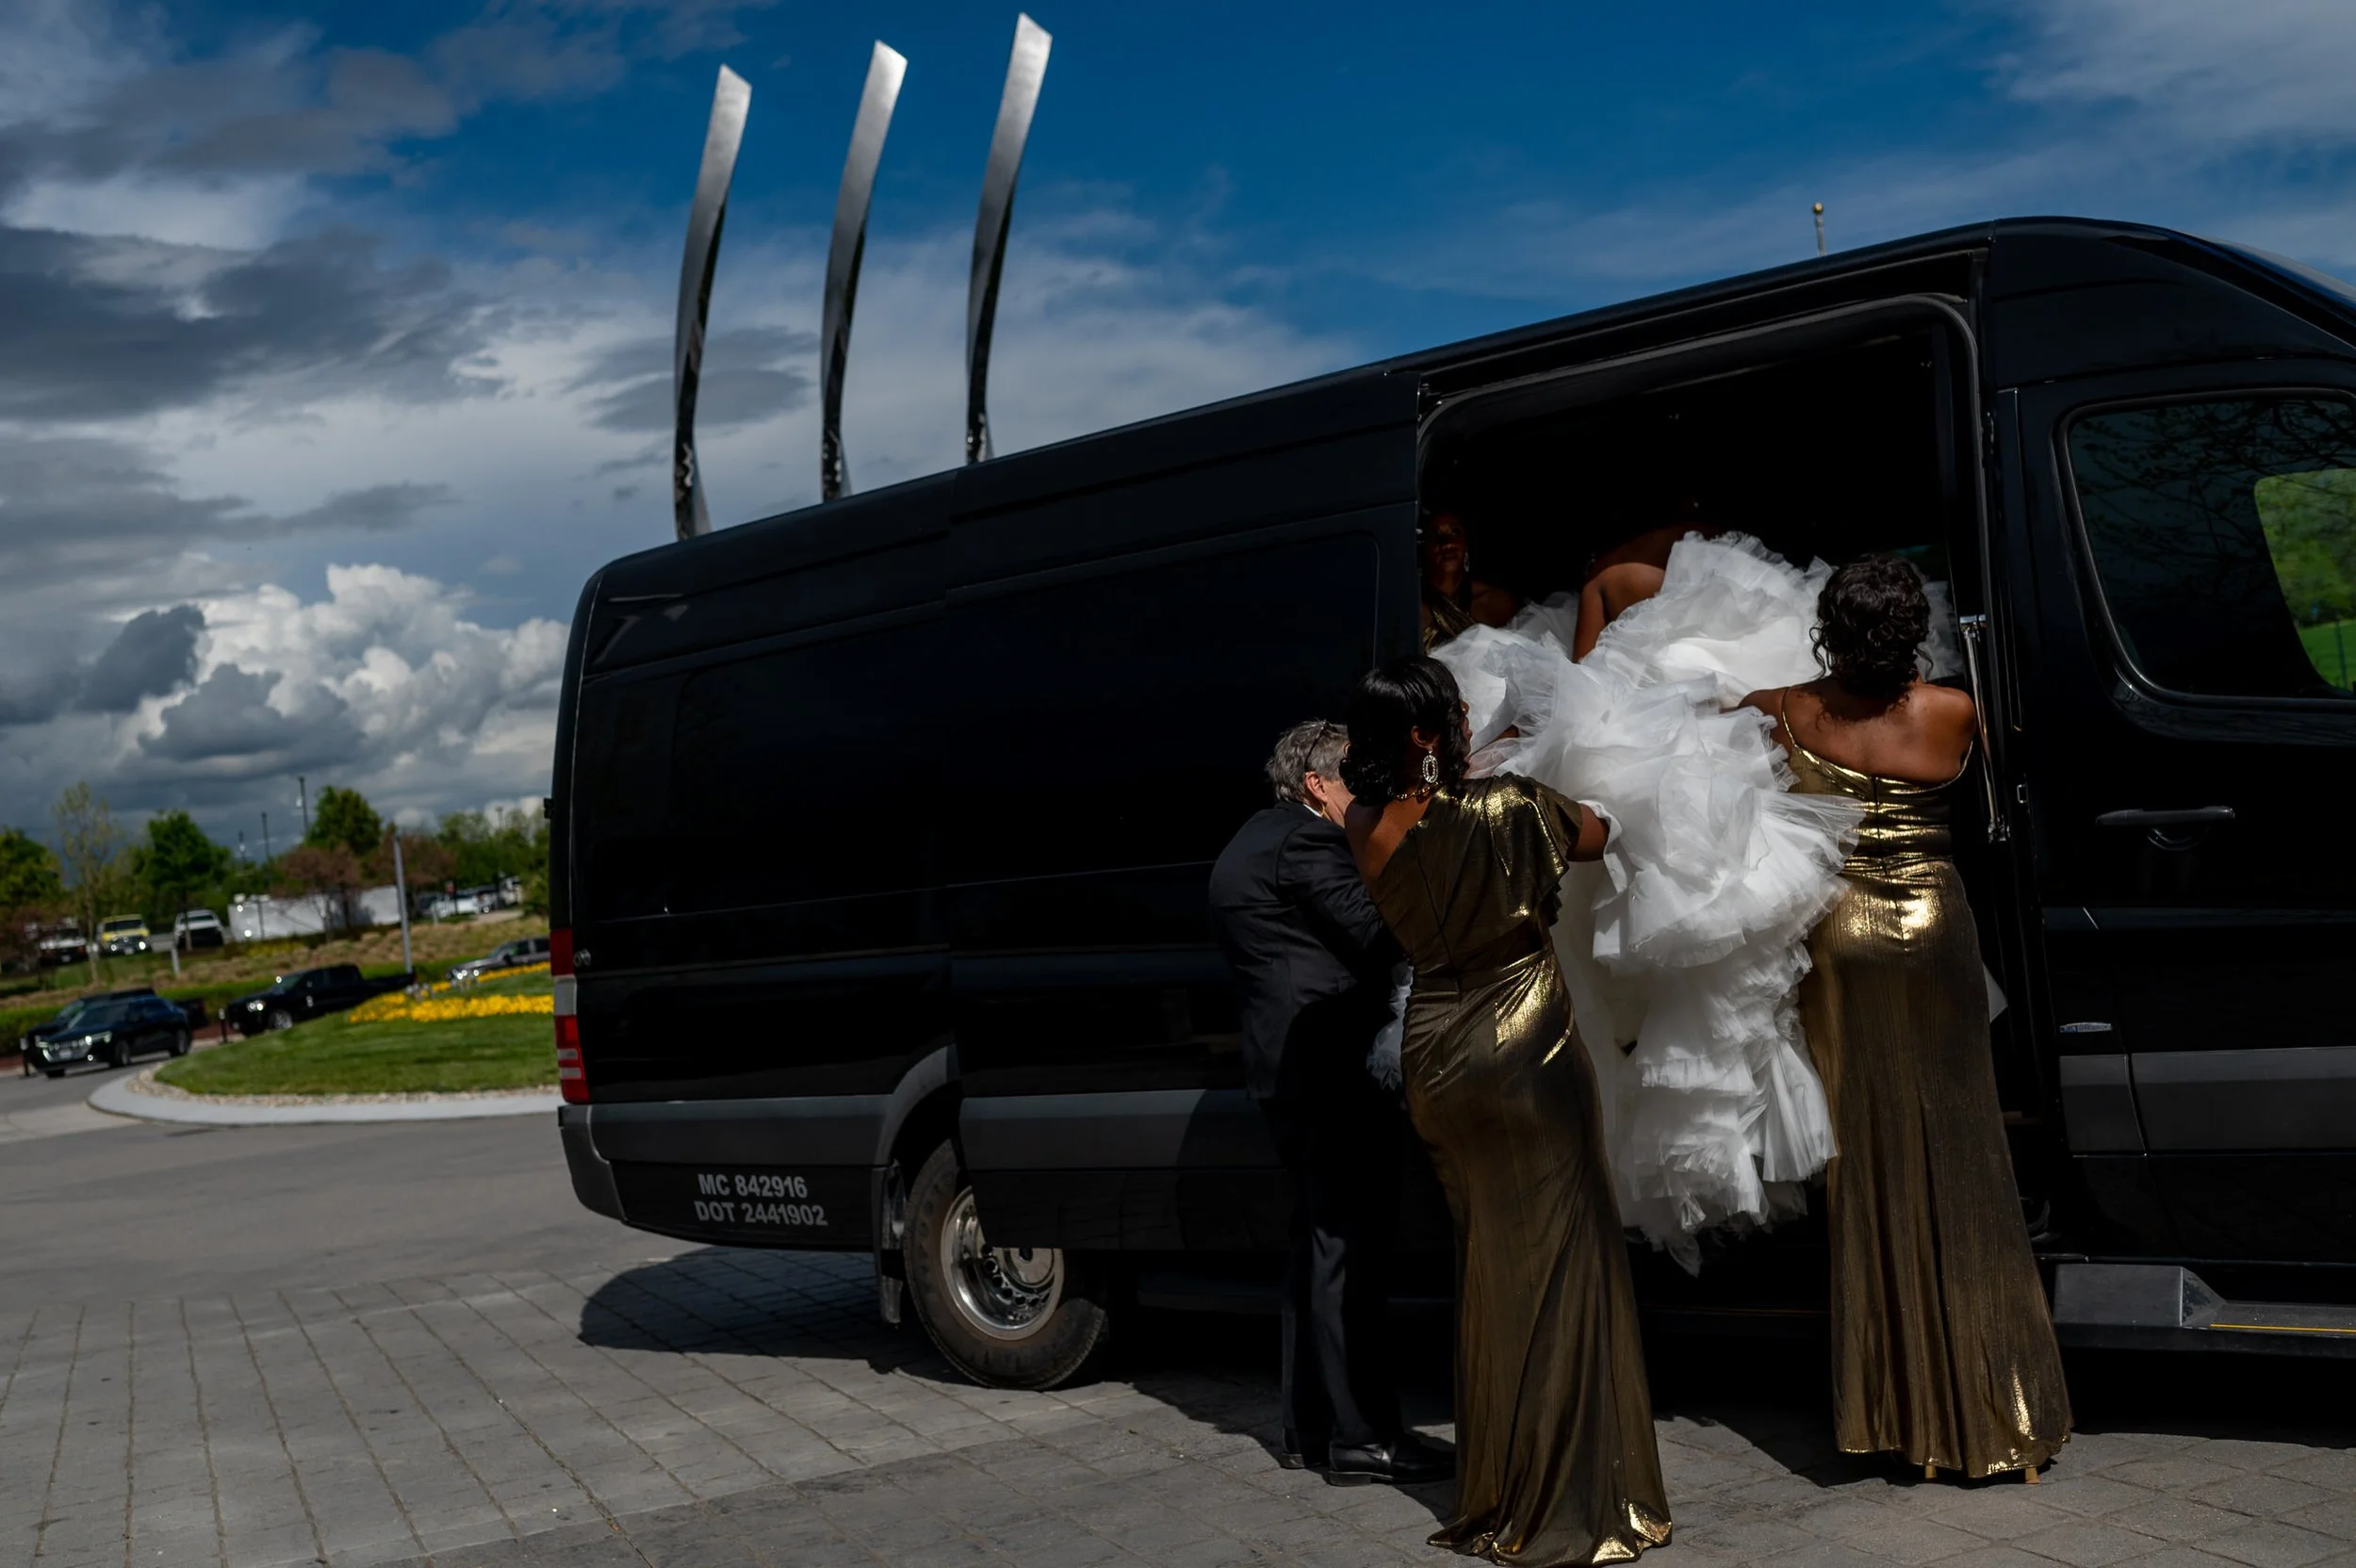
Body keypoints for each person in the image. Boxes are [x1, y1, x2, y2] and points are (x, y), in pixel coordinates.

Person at [1740, 558, 2072, 1481]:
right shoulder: (1954, 710)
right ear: (1911, 630)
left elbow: (1688, 726)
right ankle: (1995, 1412)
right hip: (1936, 929)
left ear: (1829, 630)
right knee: (1965, 1147)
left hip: (1840, 936)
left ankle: (1894, 1415)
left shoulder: (1784, 710)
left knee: (1865, 1157)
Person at [1342, 659, 1670, 1567]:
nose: (1465, 719)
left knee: (1489, 1266)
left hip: (1434, 1049)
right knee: (1566, 1259)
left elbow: (1428, 821)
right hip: (1523, 1043)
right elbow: (1602, 831)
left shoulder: (1363, 822)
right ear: (1423, 733)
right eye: (1452, 713)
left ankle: (1498, 1487)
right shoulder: (1510, 806)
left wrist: (1467, 766)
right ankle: (1568, 1497)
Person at [1208, 720, 1449, 1487]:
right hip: (1329, 1073)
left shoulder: (1254, 836)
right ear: (1316, 784)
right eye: (1357, 778)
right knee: (1350, 1253)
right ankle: (1363, 1438)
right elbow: (1379, 933)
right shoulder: (1309, 841)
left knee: (1319, 1250)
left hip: (1292, 1074)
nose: (1371, 793)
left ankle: (1313, 1429)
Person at [1421, 512, 1522, 650]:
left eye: (1455, 532)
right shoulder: (1410, 610)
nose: (1447, 543)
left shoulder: (1496, 603)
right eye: (1434, 536)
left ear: (1466, 543)